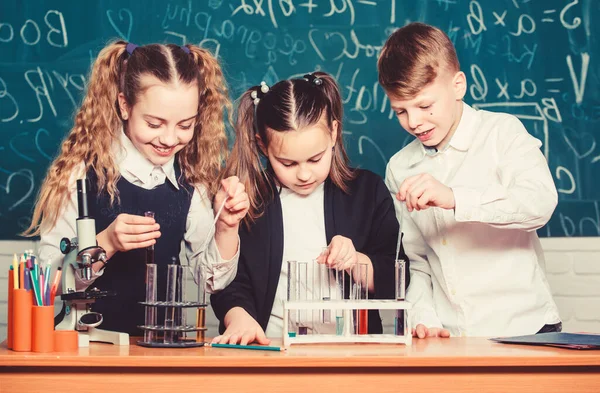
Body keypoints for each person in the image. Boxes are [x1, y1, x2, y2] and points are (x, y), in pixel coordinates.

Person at [24, 41, 249, 335]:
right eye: (154, 124)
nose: (169, 139)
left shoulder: (192, 181)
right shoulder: (81, 175)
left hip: (161, 348)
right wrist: (105, 244)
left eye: (185, 125)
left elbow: (210, 280)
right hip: (86, 350)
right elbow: (47, 283)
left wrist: (227, 227)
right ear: (124, 105)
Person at [378, 22, 561, 338]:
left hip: (526, 329)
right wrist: (425, 318)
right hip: (452, 337)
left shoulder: (502, 132)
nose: (414, 122)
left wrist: (455, 198)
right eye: (401, 112)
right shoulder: (400, 167)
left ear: (458, 85)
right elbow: (419, 262)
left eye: (424, 105)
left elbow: (540, 205)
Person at [210, 72, 408, 345]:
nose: (304, 174)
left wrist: (356, 261)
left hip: (354, 354)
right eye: (288, 163)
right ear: (262, 146)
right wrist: (238, 317)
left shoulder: (367, 192)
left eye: (315, 159)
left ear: (334, 133)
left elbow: (398, 277)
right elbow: (228, 283)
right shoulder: (248, 200)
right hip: (273, 350)